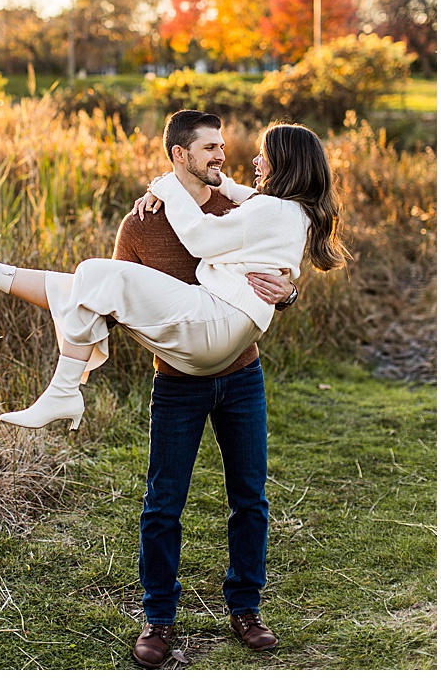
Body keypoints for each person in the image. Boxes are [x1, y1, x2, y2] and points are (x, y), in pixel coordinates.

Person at [0, 116, 348, 434]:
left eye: (262, 154)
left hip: (217, 329)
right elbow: (245, 195)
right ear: (180, 153)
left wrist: (166, 186)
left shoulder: (268, 211)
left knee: (94, 273)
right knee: (89, 285)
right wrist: (192, 187)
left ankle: (65, 389)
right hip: (217, 335)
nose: (249, 160)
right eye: (211, 147)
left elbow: (203, 238)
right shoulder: (289, 211)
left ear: (285, 162)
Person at [112, 111, 297, 666]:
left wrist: (287, 294)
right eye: (210, 148)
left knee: (250, 498)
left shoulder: (242, 208)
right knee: (163, 505)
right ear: (178, 155)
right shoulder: (141, 224)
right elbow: (120, 304)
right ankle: (158, 620)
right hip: (177, 385)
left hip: (242, 377)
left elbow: (281, 276)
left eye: (223, 147)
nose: (222, 156)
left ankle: (245, 608)